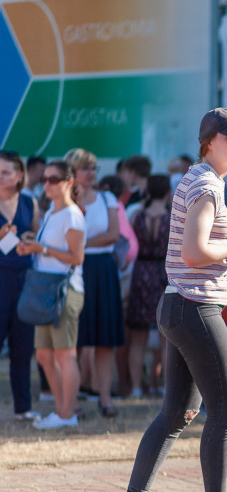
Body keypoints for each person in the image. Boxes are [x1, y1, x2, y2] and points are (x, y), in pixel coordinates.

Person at [109, 107, 227, 492]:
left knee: (177, 413)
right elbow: (196, 253)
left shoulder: (200, 179)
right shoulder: (205, 183)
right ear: (209, 139)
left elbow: (193, 251)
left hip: (180, 305)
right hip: (195, 308)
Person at [15, 160, 85, 429]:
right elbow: (47, 249)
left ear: (68, 182)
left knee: (65, 355)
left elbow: (76, 257)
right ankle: (61, 411)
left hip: (64, 290)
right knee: (44, 355)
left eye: (53, 179)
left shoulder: (72, 214)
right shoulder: (52, 213)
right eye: (44, 179)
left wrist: (41, 249)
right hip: (46, 289)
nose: (47, 184)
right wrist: (31, 246)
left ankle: (68, 414)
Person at [65, 148, 124, 417]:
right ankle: (73, 398)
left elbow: (113, 234)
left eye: (93, 168)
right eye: (85, 168)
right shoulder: (64, 200)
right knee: (74, 338)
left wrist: (81, 243)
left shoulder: (107, 197)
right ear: (73, 172)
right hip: (74, 268)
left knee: (104, 338)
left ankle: (104, 398)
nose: (90, 173)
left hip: (102, 268)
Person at [0, 151, 41, 420]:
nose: (1, 176)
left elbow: (39, 236)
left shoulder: (30, 202)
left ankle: (22, 409)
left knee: (23, 347)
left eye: (5, 172)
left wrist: (29, 238)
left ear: (19, 176)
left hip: (24, 280)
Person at [125, 175, 172, 397]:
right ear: (167, 192)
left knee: (138, 337)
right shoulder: (171, 218)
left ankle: (136, 387)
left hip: (141, 273)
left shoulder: (137, 216)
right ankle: (165, 387)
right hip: (162, 274)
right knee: (167, 337)